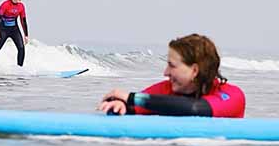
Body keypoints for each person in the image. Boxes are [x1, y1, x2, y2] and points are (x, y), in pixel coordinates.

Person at [98, 34, 245, 118]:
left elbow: (196, 108)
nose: (165, 72)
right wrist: (121, 105)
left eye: (172, 65)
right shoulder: (166, 89)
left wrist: (131, 98)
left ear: (194, 70)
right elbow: (136, 104)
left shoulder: (231, 95)